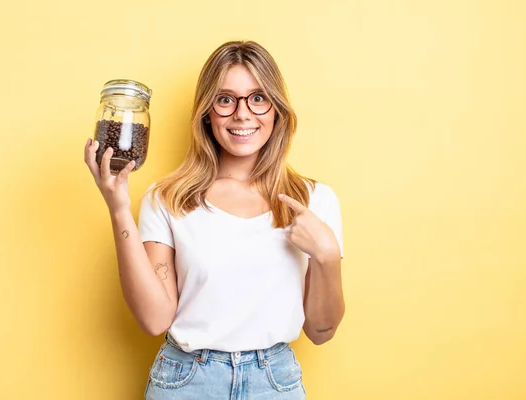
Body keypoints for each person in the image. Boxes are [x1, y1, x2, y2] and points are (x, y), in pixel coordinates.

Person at [84, 40, 345, 399]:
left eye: (257, 98)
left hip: (274, 384)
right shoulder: (168, 198)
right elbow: (154, 319)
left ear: (276, 110)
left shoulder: (313, 201)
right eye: (225, 100)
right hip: (186, 381)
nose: (242, 114)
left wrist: (328, 256)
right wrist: (117, 207)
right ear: (207, 112)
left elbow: (321, 331)